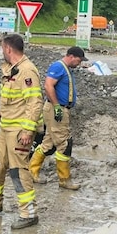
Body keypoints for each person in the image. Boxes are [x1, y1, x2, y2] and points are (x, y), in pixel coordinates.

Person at [0, 34, 43, 229]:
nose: (1, 52)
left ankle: (29, 214)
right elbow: (15, 98)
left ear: (8, 49)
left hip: (18, 132)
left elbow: (34, 102)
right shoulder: (12, 70)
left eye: (2, 48)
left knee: (18, 172)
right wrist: (2, 111)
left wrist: (28, 131)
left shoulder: (27, 71)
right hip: (5, 128)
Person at [29, 46, 87, 190]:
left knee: (48, 143)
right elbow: (48, 86)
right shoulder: (58, 66)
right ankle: (64, 179)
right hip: (58, 109)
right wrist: (56, 106)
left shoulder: (66, 69)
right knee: (64, 143)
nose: (79, 63)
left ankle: (32, 171)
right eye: (79, 60)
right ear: (72, 56)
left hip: (60, 108)